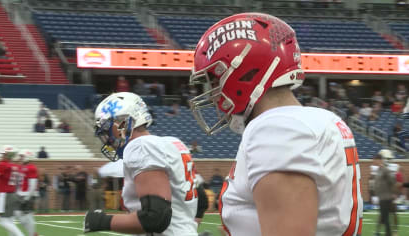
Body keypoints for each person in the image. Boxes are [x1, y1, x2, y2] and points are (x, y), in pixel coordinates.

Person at [188, 13, 363, 235]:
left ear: (244, 68)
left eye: (214, 79)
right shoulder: (322, 120)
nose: (213, 95)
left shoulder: (277, 129)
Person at [84, 92, 198, 235]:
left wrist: (101, 221)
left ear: (125, 122)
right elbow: (202, 199)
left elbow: (155, 217)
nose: (107, 139)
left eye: (109, 129)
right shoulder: (174, 143)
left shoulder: (141, 146)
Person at [0, 145, 25, 236]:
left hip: (5, 195)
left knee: (3, 221)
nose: (1, 156)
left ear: (8, 155)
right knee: (10, 221)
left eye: (3, 154)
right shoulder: (14, 166)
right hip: (13, 194)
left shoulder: (3, 164)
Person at [373, 150, 397, 236]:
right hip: (381, 197)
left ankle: (388, 233)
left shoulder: (385, 169)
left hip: (386, 197)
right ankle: (380, 232)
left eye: (375, 160)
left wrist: (393, 194)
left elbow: (392, 181)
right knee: (384, 217)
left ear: (380, 160)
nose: (374, 162)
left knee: (386, 217)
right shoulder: (379, 170)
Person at [16, 149, 39, 236]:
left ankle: (32, 234)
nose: (20, 158)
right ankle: (33, 233)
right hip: (21, 194)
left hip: (28, 195)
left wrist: (27, 198)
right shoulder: (21, 167)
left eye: (22, 156)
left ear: (27, 157)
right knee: (19, 215)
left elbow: (32, 185)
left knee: (28, 216)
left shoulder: (31, 168)